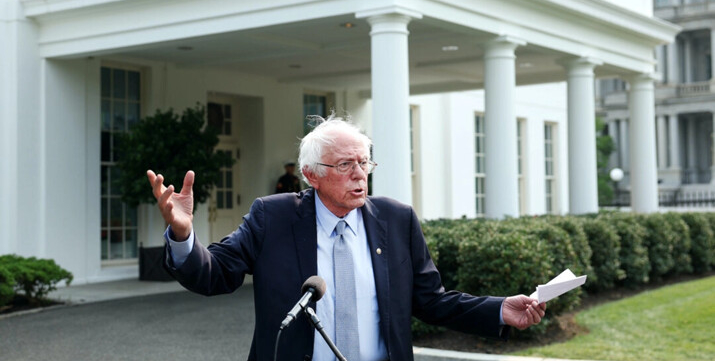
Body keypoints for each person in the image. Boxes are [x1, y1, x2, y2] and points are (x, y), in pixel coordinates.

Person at [147, 115, 545, 361]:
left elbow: (431, 301)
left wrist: (498, 310)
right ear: (311, 175)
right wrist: (183, 234)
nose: (360, 173)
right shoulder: (274, 216)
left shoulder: (396, 219)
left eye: (364, 161)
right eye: (345, 164)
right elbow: (215, 274)